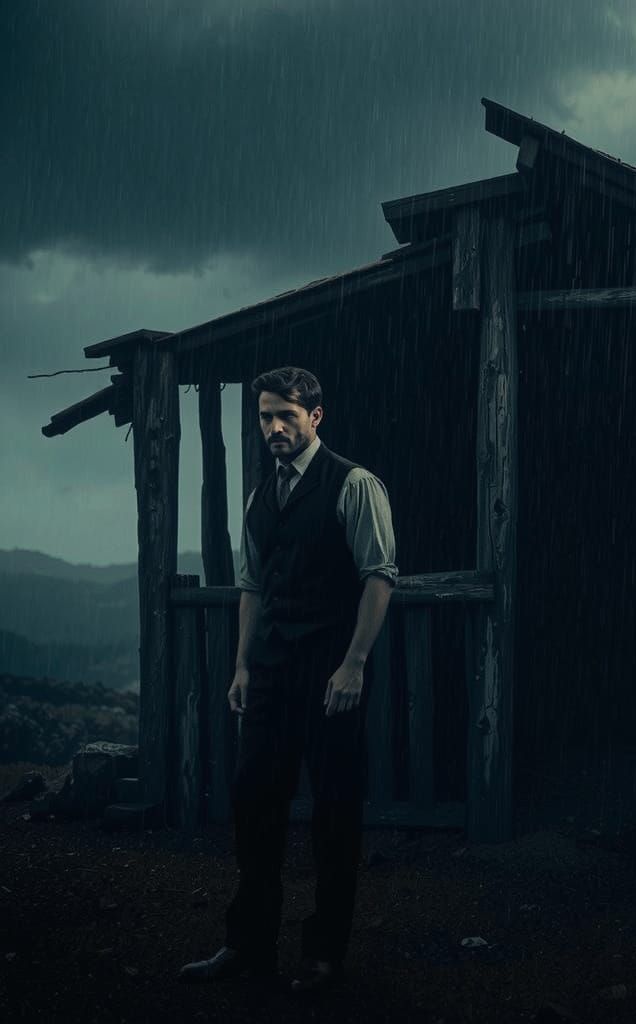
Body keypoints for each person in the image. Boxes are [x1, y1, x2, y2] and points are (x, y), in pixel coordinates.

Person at [180, 366, 397, 995]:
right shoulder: (260, 493)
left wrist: (354, 663)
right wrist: (244, 665)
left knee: (334, 814)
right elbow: (252, 586)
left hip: (330, 668)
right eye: (265, 416)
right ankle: (247, 946)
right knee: (254, 808)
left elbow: (379, 576)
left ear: (315, 417)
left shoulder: (353, 484)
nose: (274, 427)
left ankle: (324, 956)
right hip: (271, 668)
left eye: (287, 416)